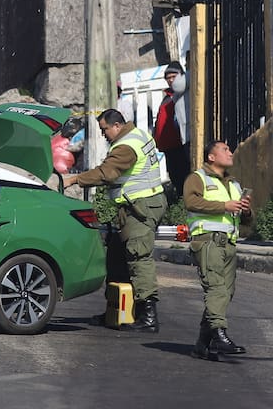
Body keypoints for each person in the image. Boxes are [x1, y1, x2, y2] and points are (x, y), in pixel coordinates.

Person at [63, 109, 167, 332]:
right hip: (137, 205)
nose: (103, 135)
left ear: (117, 126)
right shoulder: (138, 134)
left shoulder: (125, 147)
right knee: (117, 256)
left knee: (139, 257)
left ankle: (148, 316)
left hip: (141, 207)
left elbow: (107, 173)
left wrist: (74, 179)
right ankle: (117, 310)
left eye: (104, 130)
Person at [184, 140, 252, 360]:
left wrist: (245, 210)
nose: (230, 153)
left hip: (229, 244)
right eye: (225, 149)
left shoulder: (233, 184)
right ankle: (220, 336)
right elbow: (191, 202)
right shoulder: (198, 177)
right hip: (208, 241)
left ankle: (203, 344)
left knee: (225, 294)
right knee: (216, 289)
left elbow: (244, 221)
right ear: (211, 157)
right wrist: (225, 206)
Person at [154, 61, 190, 196]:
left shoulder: (182, 95)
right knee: (175, 176)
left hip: (179, 144)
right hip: (168, 147)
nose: (170, 80)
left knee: (183, 176)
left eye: (173, 76)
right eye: (168, 78)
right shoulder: (167, 97)